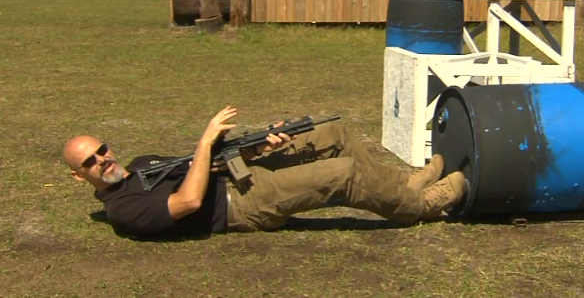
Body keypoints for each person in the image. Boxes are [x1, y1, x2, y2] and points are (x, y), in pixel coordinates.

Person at [63, 106, 467, 239]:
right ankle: (419, 205)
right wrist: (205, 143)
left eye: (101, 150)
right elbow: (187, 201)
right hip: (238, 204)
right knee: (340, 173)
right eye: (90, 162)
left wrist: (257, 146)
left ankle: (400, 184)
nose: (102, 160)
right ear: (80, 178)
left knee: (329, 134)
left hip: (239, 172)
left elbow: (208, 163)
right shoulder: (123, 209)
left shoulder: (140, 165)